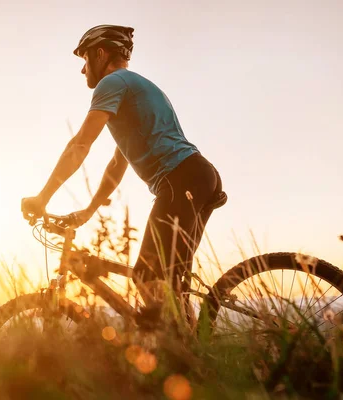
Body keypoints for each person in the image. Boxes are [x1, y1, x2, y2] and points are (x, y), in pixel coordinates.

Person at [21, 24, 225, 314]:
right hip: (198, 175)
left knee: (148, 276)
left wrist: (43, 198)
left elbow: (80, 144)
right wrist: (89, 211)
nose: (83, 70)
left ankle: (178, 351)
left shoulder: (112, 83)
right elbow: (118, 163)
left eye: (85, 60)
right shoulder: (137, 87)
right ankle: (190, 350)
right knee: (170, 286)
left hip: (181, 178)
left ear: (100, 54)